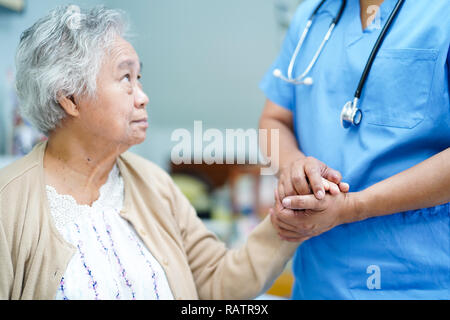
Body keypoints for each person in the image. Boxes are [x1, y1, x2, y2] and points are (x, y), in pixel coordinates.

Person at [0, 5, 306, 300]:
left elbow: (214, 281)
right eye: (125, 79)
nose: (143, 97)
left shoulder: (154, 185)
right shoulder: (9, 205)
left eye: (139, 78)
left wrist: (287, 220)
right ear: (70, 98)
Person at [260, 0, 450, 299]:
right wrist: (293, 170)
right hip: (318, 285)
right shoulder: (313, 13)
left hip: (421, 285)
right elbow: (274, 119)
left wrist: (353, 207)